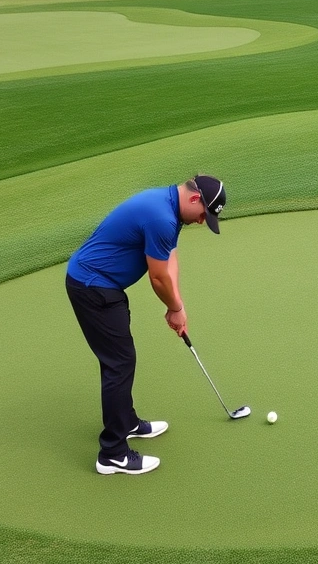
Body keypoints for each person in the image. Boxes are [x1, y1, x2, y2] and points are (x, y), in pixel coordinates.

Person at [65, 175, 226, 475]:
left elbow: (169, 260)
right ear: (195, 199)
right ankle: (112, 453)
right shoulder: (162, 217)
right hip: (93, 287)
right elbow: (156, 277)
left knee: (118, 360)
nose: (203, 221)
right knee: (120, 363)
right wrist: (173, 308)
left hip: (103, 286)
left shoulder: (168, 206)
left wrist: (177, 305)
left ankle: (125, 422)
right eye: (204, 214)